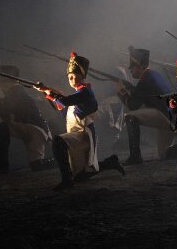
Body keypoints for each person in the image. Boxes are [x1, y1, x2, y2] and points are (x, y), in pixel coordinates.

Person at [39, 52, 124, 191]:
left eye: (74, 76)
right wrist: (46, 92)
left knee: (58, 141)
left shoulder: (85, 92)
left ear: (82, 76)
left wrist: (49, 92)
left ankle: (67, 180)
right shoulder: (78, 94)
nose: (71, 79)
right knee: (82, 176)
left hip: (84, 135)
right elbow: (64, 109)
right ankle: (110, 163)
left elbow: (65, 101)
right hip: (76, 135)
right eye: (69, 77)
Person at [0, 65, 53, 173]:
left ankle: (59, 161)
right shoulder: (14, 93)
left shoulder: (17, 92)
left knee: (36, 165)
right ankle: (2, 163)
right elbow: (4, 108)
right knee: (3, 127)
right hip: (26, 128)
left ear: (9, 84)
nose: (1, 87)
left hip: (36, 131)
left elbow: (4, 108)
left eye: (3, 84)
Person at [120, 47, 176, 165]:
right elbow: (144, 94)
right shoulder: (153, 75)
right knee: (164, 154)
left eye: (133, 67)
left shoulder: (145, 79)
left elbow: (133, 105)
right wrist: (131, 88)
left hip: (164, 116)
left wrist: (122, 92)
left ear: (141, 66)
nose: (130, 70)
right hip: (171, 117)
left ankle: (135, 157)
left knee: (130, 117)